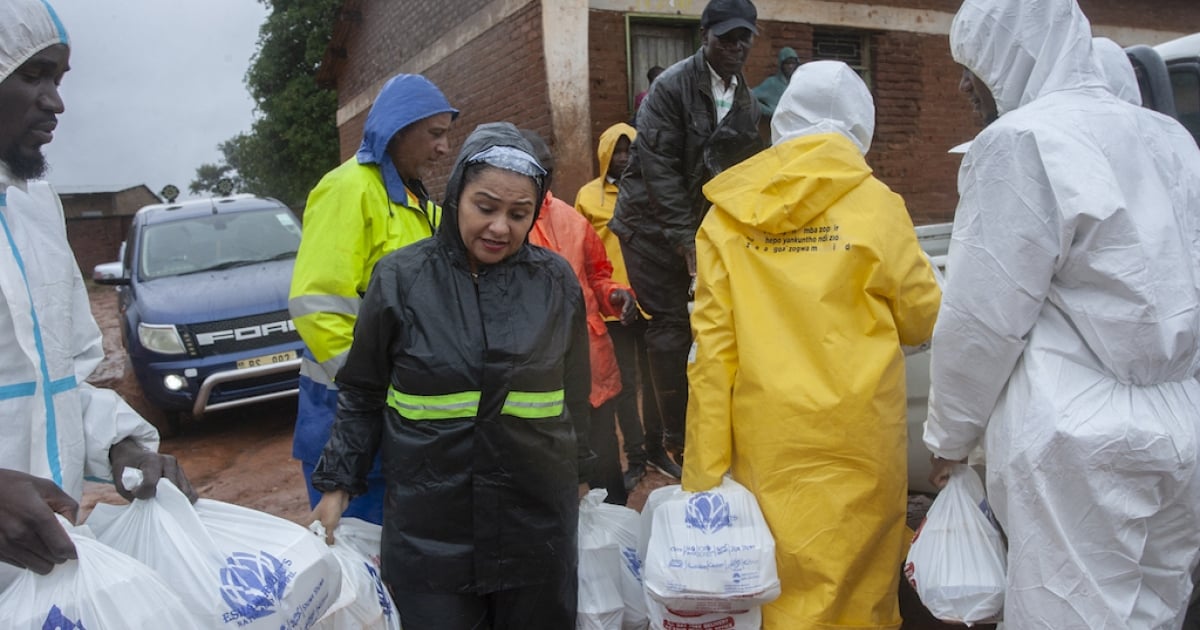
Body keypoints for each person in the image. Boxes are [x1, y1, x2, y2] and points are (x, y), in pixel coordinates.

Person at [924, 0, 1200, 626]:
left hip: (1076, 444)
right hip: (1183, 425)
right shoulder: (1170, 137)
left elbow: (983, 318)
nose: (964, 84)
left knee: (1065, 612)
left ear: (1013, 54)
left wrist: (949, 437)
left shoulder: (1022, 140)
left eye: (972, 65)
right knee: (1159, 610)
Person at [682, 60, 940, 629]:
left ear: (784, 121)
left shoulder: (726, 219)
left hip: (765, 445)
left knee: (773, 587)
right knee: (860, 594)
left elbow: (711, 358)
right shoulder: (878, 207)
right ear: (861, 125)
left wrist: (702, 478)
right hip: (858, 443)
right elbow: (922, 319)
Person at [310, 123, 595, 629]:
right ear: (457, 193)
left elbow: (574, 392)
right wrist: (337, 485)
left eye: (518, 214)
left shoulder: (555, 283)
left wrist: (583, 475)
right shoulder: (401, 279)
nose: (500, 227)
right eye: (485, 207)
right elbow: (363, 391)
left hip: (536, 525)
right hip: (431, 531)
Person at [0, 0, 196, 583]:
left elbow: (53, 384)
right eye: (32, 75)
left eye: (58, 80)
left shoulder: (35, 208)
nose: (56, 102)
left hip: (43, 572)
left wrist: (121, 448)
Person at [289, 74, 457, 525]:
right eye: (435, 134)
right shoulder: (350, 189)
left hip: (397, 414)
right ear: (400, 128)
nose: (444, 148)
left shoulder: (418, 203)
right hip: (342, 417)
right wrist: (364, 386)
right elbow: (316, 302)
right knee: (358, 557)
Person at [609, 0, 764, 469]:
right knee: (672, 327)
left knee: (708, 325)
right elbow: (658, 171)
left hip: (693, 229)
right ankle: (672, 441)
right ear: (705, 35)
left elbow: (742, 174)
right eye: (727, 37)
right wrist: (685, 243)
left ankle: (698, 428)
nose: (736, 47)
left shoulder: (745, 101)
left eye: (744, 39)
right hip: (648, 228)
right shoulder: (670, 87)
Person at [521, 129, 637, 506]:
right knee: (552, 472)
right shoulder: (507, 228)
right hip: (538, 379)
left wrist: (616, 296)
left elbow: (598, 276)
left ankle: (617, 547)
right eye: (534, 170)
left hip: (593, 369)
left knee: (604, 463)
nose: (544, 178)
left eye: (548, 170)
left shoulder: (572, 221)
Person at [575, 122, 678, 489]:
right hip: (613, 307)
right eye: (617, 150)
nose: (623, 157)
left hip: (651, 299)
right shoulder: (587, 197)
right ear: (605, 154)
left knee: (654, 381)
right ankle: (634, 456)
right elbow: (582, 252)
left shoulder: (652, 192)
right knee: (624, 383)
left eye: (630, 150)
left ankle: (656, 448)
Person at [752, 46, 800, 116]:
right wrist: (768, 111)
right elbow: (749, 97)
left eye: (793, 63)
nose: (790, 66)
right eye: (787, 63)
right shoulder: (771, 83)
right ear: (781, 64)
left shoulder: (798, 83)